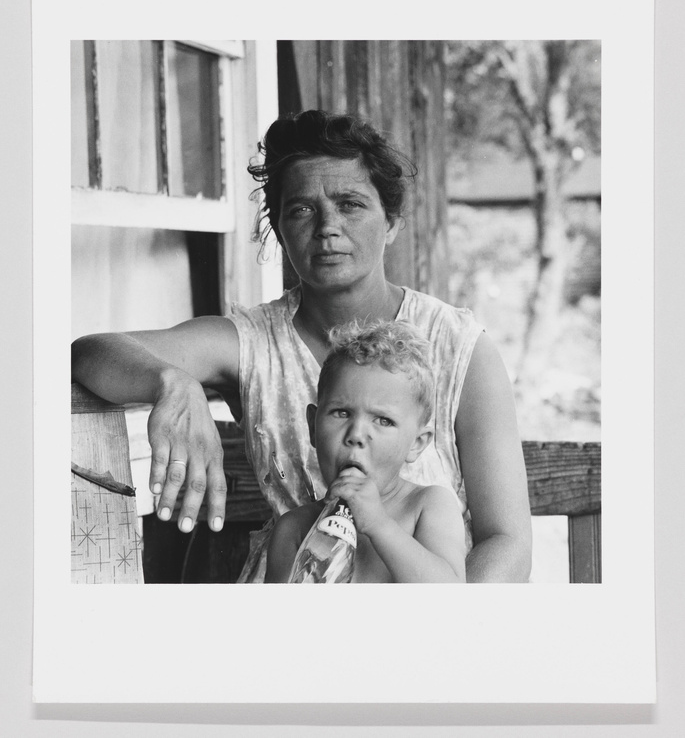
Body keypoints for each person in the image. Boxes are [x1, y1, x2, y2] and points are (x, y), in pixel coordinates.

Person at [71, 109, 532, 583]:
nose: (327, 226)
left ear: (391, 221)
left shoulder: (457, 346)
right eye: (302, 209)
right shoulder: (253, 342)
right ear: (279, 226)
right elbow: (89, 352)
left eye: (350, 203)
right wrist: (171, 382)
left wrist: (441, 631)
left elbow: (508, 541)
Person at [265, 320, 466, 584]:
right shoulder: (294, 529)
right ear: (313, 426)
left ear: (416, 443)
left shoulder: (428, 506)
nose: (357, 435)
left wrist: (378, 525)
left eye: (383, 420)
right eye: (342, 413)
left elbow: (453, 601)